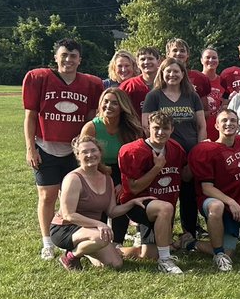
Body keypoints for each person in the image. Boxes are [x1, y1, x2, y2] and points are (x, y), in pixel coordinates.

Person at [24, 38, 104, 259]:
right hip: (46, 146)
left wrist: (87, 149)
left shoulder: (90, 84)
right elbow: (30, 116)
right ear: (56, 57)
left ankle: (74, 236)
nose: (68, 60)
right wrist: (30, 147)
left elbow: (90, 119)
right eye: (64, 55)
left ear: (80, 60)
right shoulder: (39, 78)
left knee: (75, 198)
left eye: (73, 56)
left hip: (75, 150)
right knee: (47, 196)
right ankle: (47, 242)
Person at [51, 136, 154, 270]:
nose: (90, 155)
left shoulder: (107, 178)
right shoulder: (73, 179)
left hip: (91, 230)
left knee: (115, 264)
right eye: (84, 152)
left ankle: (85, 249)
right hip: (66, 228)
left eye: (93, 150)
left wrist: (132, 203)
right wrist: (99, 224)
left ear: (100, 153)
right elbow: (68, 215)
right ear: (78, 156)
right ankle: (71, 256)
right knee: (101, 238)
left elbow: (112, 211)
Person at [184, 109, 240, 272]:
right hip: (213, 200)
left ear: (238, 125)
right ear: (216, 125)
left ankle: (190, 243)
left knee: (229, 252)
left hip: (235, 206)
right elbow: (207, 188)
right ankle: (218, 255)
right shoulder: (206, 150)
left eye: (233, 120)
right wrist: (231, 202)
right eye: (224, 120)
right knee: (217, 206)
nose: (229, 123)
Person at [117, 113, 186, 273]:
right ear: (148, 128)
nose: (160, 132)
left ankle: (114, 251)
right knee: (165, 208)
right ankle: (165, 260)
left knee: (149, 254)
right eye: (156, 128)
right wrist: (157, 167)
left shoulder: (176, 148)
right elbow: (134, 188)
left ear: (172, 129)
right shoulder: (133, 150)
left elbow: (185, 173)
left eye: (165, 128)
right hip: (138, 204)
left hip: (162, 204)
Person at [80, 88, 144, 253]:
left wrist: (124, 183)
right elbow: (83, 156)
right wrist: (105, 180)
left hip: (122, 169)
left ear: (122, 107)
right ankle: (98, 241)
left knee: (120, 198)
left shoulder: (132, 128)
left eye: (114, 103)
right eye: (106, 101)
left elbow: (136, 160)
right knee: (99, 201)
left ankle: (117, 242)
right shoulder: (91, 127)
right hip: (96, 168)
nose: (109, 106)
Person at [143, 58, 207, 152]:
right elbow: (146, 126)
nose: (172, 74)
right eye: (168, 71)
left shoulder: (192, 96)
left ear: (182, 74)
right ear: (162, 73)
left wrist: (200, 149)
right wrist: (158, 149)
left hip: (192, 150)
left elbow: (201, 126)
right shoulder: (153, 96)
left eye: (176, 71)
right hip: (166, 152)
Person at [118, 47, 160, 114]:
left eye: (150, 58)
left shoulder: (167, 84)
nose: (146, 62)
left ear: (158, 62)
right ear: (137, 63)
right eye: (142, 59)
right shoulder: (128, 86)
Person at [199, 47, 227, 141]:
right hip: (200, 131)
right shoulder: (196, 81)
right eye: (207, 57)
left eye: (214, 58)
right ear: (201, 60)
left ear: (218, 61)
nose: (211, 60)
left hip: (219, 132)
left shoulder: (223, 81)